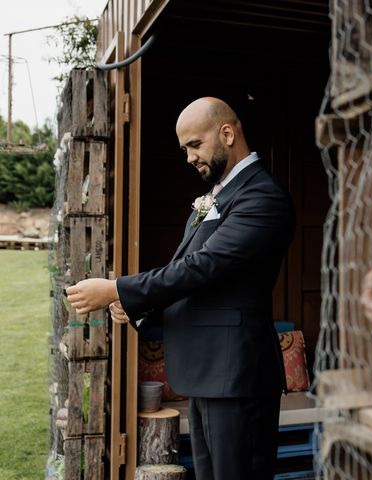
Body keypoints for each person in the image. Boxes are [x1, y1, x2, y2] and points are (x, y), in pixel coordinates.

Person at [66, 97, 295, 479]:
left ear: (227, 133)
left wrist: (116, 289)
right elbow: (189, 271)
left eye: (195, 145)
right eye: (184, 149)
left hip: (237, 374)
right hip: (209, 373)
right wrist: (138, 305)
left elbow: (203, 267)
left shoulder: (262, 196)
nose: (189, 158)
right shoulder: (220, 194)